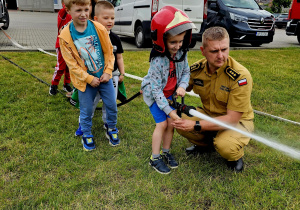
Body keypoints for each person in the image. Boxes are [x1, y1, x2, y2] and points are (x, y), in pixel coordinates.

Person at [172, 26, 254, 172]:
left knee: (226, 146)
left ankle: (234, 156)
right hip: (209, 115)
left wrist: (196, 125)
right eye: (214, 51)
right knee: (179, 119)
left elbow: (232, 119)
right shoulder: (197, 69)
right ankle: (207, 145)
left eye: (224, 49)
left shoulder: (240, 76)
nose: (221, 55)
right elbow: (178, 86)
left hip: (236, 122)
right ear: (203, 51)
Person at [141, 6, 195, 174]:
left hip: (169, 97)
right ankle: (154, 158)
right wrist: (169, 111)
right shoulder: (157, 61)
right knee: (163, 123)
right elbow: (156, 92)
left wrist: (182, 86)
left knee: (171, 124)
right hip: (155, 96)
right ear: (161, 40)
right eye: (173, 42)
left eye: (181, 41)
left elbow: (186, 72)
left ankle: (166, 152)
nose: (177, 46)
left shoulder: (181, 53)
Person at [59, 0, 119, 151]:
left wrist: (107, 71)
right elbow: (72, 65)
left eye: (86, 9)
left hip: (105, 78)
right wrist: (88, 78)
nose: (84, 14)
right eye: (78, 10)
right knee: (86, 110)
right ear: (68, 10)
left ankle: (111, 128)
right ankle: (86, 133)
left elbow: (109, 52)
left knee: (112, 105)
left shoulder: (98, 28)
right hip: (85, 82)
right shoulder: (65, 36)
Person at [74, 0, 126, 146]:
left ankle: (109, 125)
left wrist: (121, 73)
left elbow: (118, 57)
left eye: (112, 18)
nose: (110, 21)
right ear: (95, 19)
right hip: (92, 78)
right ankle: (83, 125)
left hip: (111, 76)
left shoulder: (115, 38)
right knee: (89, 103)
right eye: (106, 18)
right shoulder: (90, 38)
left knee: (110, 103)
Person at [49, 0, 73, 96]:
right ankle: (54, 85)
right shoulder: (62, 13)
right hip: (61, 45)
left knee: (69, 66)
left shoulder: (74, 13)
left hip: (71, 46)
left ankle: (66, 84)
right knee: (61, 67)